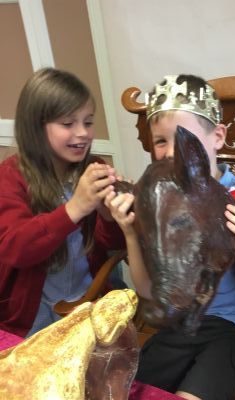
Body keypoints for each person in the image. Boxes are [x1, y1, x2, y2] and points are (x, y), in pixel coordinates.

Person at [106, 74, 235, 400]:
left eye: (184, 139)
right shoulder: (159, 201)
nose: (171, 153)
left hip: (231, 328)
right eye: (160, 141)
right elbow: (147, 290)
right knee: (126, 393)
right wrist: (130, 232)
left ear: (217, 137)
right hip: (179, 326)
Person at [0, 67, 125, 338]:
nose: (83, 133)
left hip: (88, 301)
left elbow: (112, 245)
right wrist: (75, 208)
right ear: (36, 128)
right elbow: (15, 250)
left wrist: (109, 215)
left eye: (88, 122)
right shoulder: (10, 177)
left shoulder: (93, 167)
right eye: (68, 124)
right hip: (31, 318)